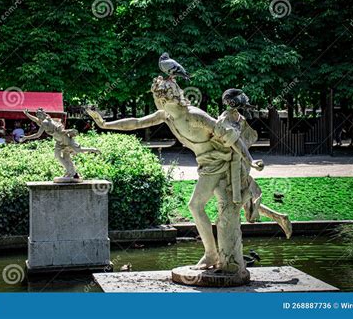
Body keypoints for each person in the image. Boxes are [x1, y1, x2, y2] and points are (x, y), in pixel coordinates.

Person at [87, 77, 292, 276]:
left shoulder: (194, 115)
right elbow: (136, 122)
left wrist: (249, 161)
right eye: (158, 99)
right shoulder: (165, 115)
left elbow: (230, 136)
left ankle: (212, 255)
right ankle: (277, 218)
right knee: (231, 204)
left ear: (173, 98)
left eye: (162, 99)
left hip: (216, 163)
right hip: (205, 163)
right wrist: (104, 124)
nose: (159, 102)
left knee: (196, 206)